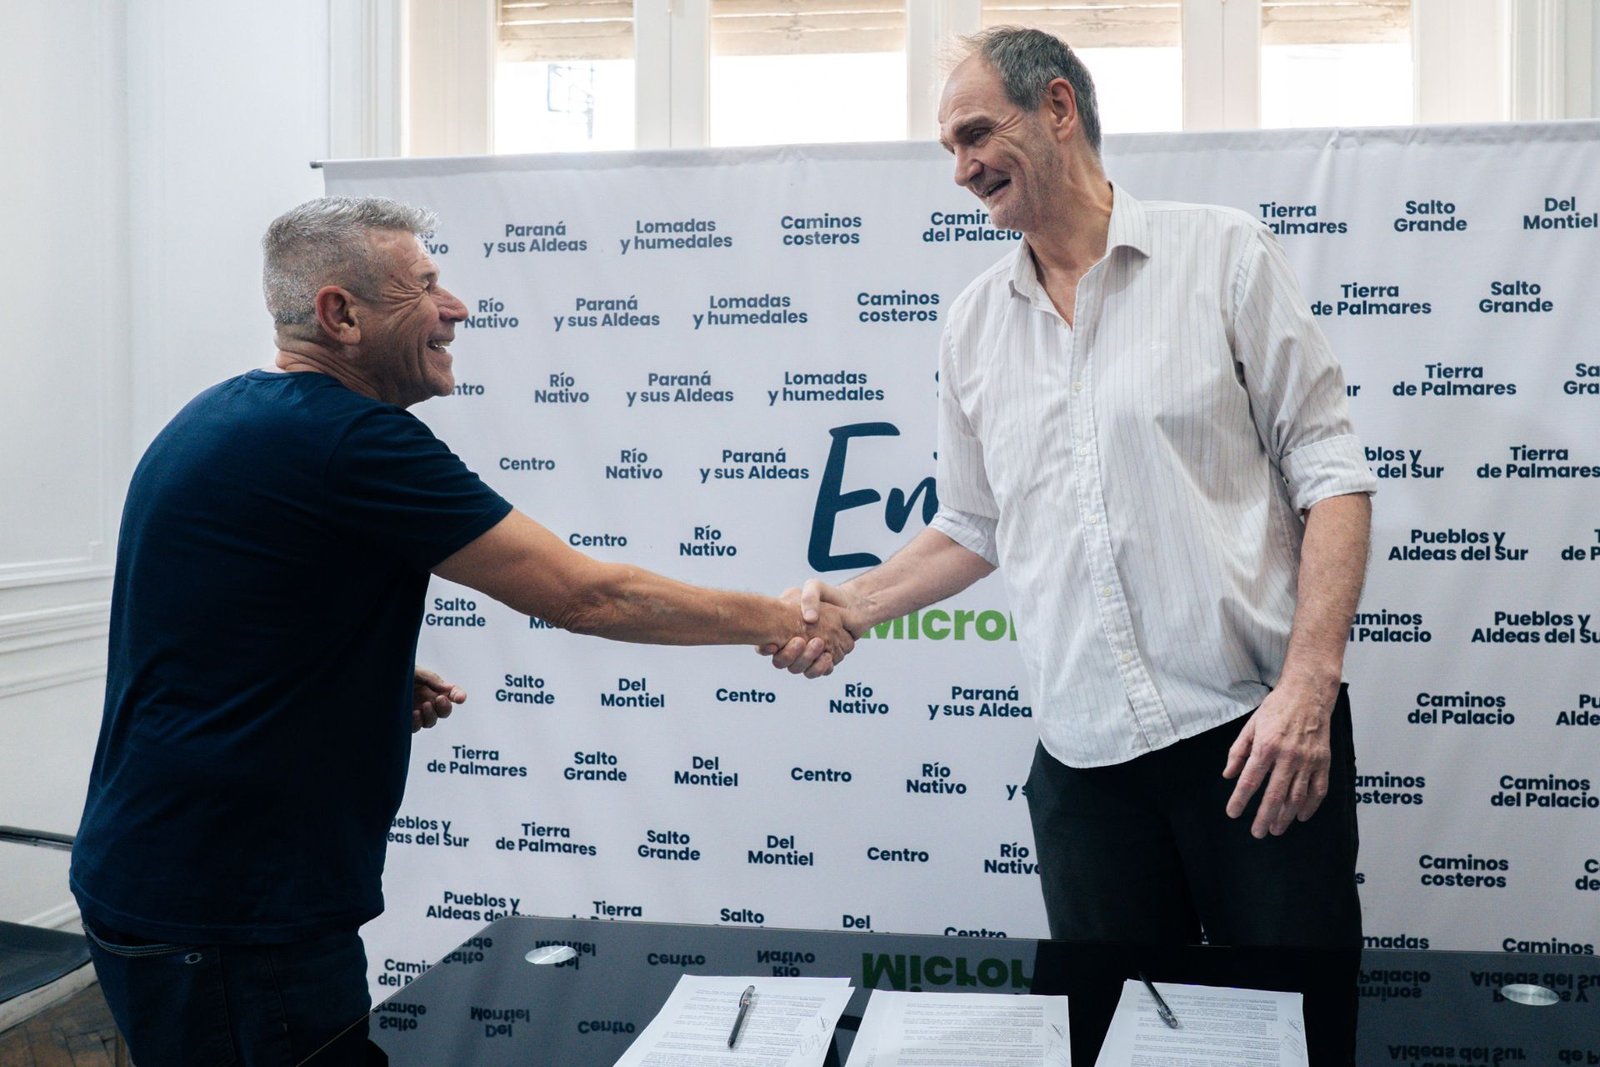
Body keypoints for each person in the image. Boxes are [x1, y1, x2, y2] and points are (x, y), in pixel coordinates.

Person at [69, 196, 853, 1066]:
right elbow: (585, 596)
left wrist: (355, 673)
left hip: (164, 879)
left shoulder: (224, 414)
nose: (457, 308)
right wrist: (782, 617)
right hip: (230, 915)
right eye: (426, 284)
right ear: (341, 315)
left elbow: (212, 624)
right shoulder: (352, 441)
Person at [770, 27, 1374, 1062]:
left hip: (1255, 739)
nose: (961, 169)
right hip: (1083, 769)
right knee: (1108, 1042)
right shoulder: (972, 323)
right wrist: (851, 606)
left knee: (1294, 1032)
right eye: (949, 149)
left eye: (975, 134)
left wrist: (1309, 688)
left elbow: (1332, 476)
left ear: (1057, 107)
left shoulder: (1222, 254)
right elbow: (973, 522)